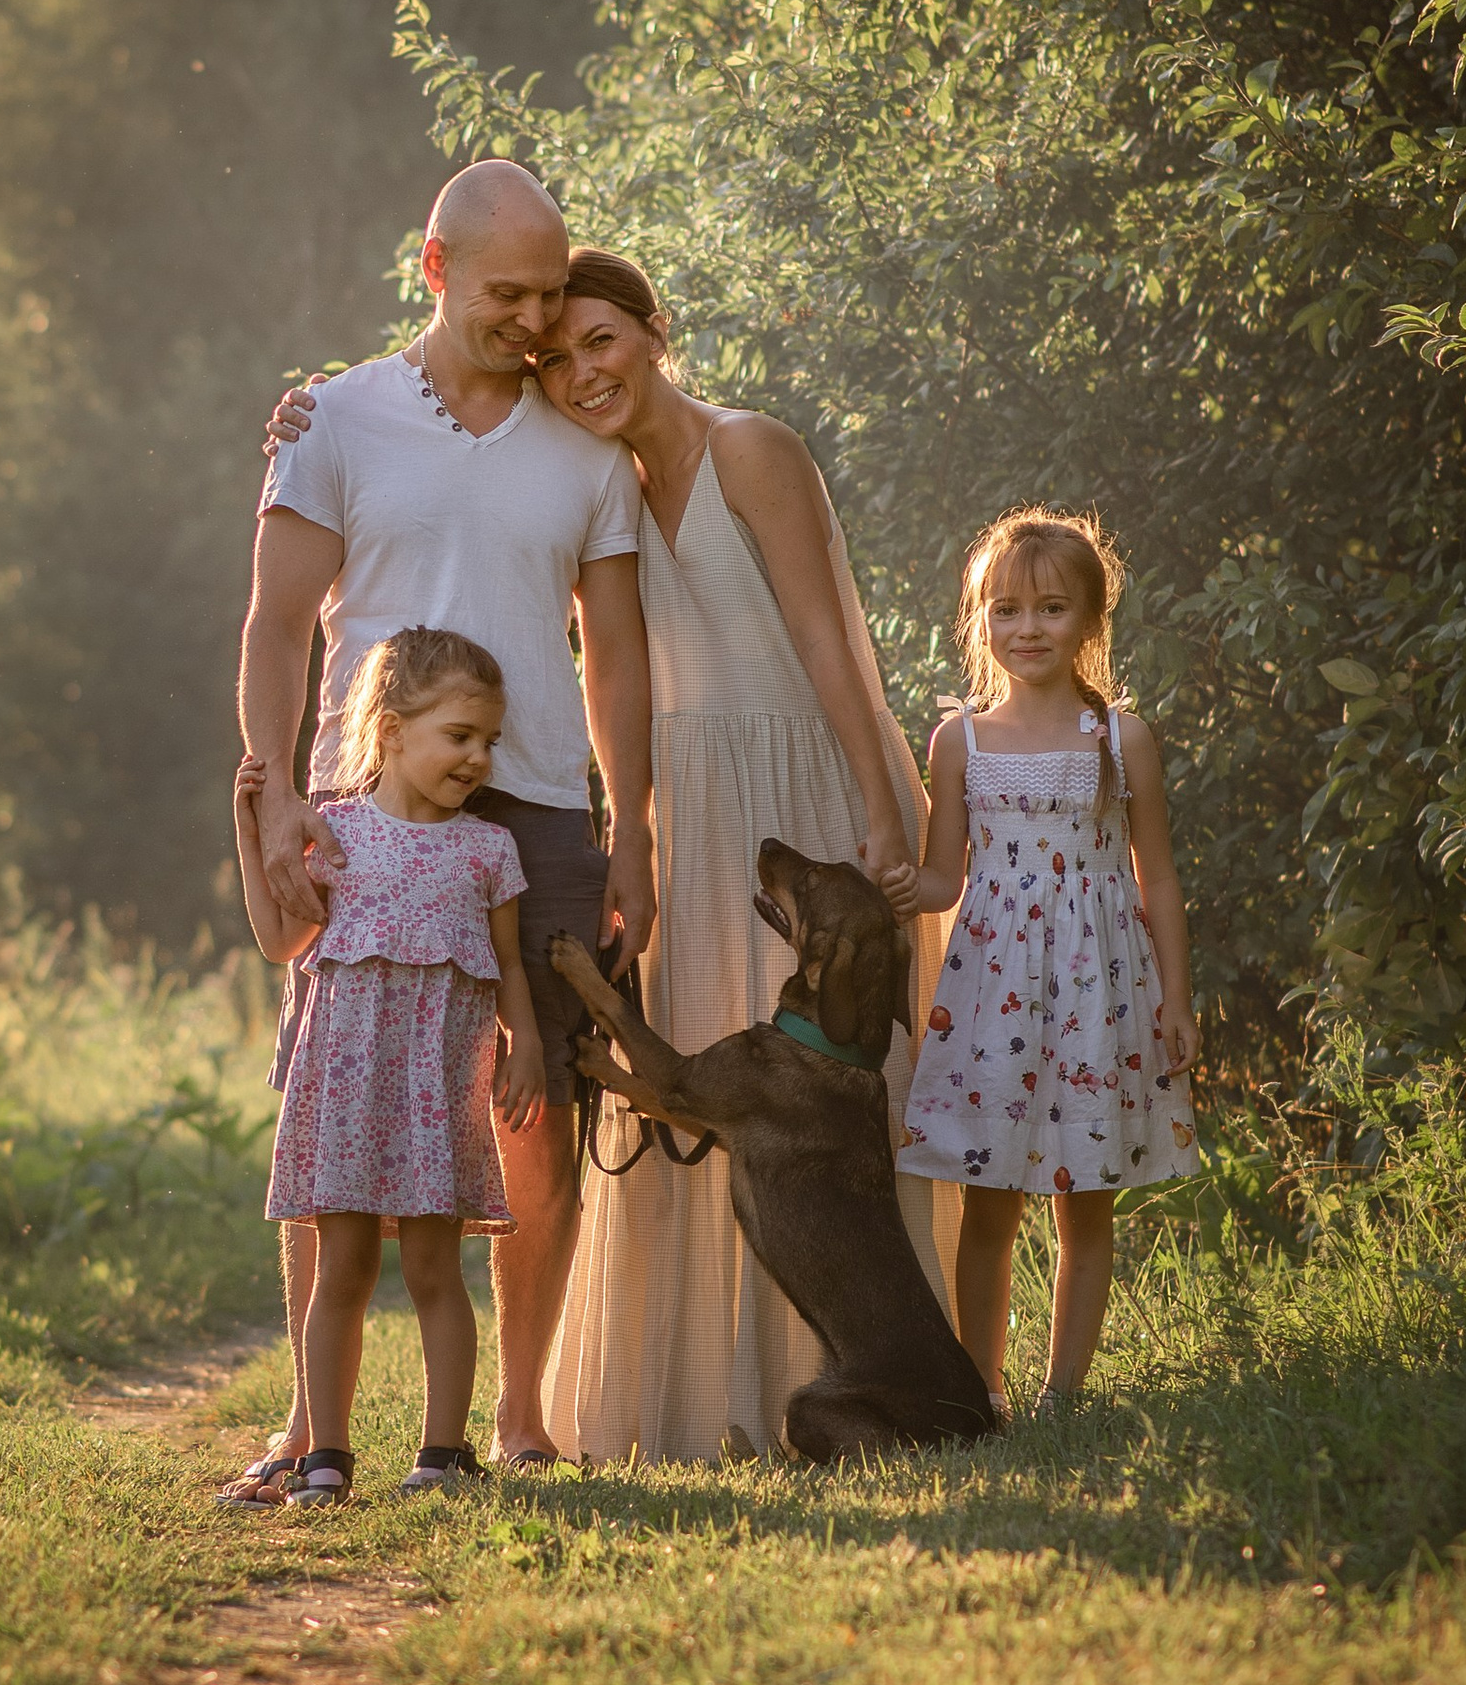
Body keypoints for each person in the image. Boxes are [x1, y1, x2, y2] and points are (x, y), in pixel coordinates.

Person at [234, 160, 652, 1482]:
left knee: (536, 1107)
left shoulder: (589, 447)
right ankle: (310, 1424)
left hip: (540, 806)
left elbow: (617, 656)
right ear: (434, 268)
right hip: (362, 805)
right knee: (331, 1103)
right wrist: (275, 790)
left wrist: (631, 823)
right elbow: (277, 623)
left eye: (548, 292)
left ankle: (518, 1417)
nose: (532, 319)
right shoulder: (334, 418)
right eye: (504, 291)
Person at [524, 252, 961, 1461]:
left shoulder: (750, 448)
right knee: (703, 1076)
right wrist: (631, 830)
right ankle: (686, 1403)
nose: (581, 373)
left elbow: (826, 642)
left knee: (824, 1096)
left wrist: (880, 809)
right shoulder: (598, 486)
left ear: (653, 331)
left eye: (600, 340)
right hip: (691, 805)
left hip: (804, 784)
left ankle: (881, 1389)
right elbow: (612, 674)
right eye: (555, 360)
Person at [227, 629, 546, 1506]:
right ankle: (325, 1454)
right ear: (394, 730)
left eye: (489, 740)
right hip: (349, 1095)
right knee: (343, 1269)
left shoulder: (488, 850)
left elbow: (509, 965)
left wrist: (525, 1043)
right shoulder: (336, 836)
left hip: (436, 1099)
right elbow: (280, 939)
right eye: (460, 735)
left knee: (437, 1270)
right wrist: (251, 835)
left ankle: (442, 1454)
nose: (478, 757)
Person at [897, 508, 1199, 1409]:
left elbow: (1157, 879)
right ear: (981, 620)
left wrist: (1177, 1000)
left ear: (1090, 621)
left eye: (1051, 608)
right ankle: (979, 1392)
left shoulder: (1120, 739)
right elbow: (943, 880)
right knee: (988, 1201)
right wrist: (893, 881)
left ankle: (1062, 1397)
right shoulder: (961, 741)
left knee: (1086, 1198)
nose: (1027, 628)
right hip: (992, 996)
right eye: (1007, 610)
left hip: (1099, 994)